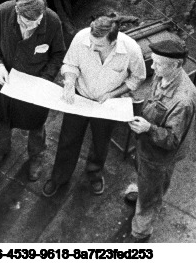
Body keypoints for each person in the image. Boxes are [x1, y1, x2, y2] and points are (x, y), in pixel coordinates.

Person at [42, 15, 146, 198]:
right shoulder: (82, 38)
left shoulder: (131, 50)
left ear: (113, 42)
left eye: (98, 46)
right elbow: (69, 64)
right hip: (80, 97)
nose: (92, 46)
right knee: (68, 139)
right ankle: (59, 177)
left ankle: (94, 173)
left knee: (101, 142)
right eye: (91, 42)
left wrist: (113, 94)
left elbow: (137, 78)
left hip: (108, 104)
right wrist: (69, 81)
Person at [0, 0, 66, 180]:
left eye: (34, 24)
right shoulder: (4, 12)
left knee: (36, 124)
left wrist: (43, 81)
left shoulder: (52, 22)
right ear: (17, 12)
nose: (29, 28)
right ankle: (1, 149)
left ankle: (36, 157)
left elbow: (58, 54)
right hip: (6, 80)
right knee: (2, 118)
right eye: (24, 23)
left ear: (42, 15)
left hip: (35, 85)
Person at [124, 34, 196, 242]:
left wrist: (148, 128)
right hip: (146, 147)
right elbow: (153, 99)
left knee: (151, 196)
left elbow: (173, 140)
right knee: (144, 178)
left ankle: (140, 232)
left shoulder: (182, 100)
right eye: (153, 61)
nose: (153, 68)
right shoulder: (164, 74)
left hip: (159, 157)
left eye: (158, 64)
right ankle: (141, 191)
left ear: (176, 65)